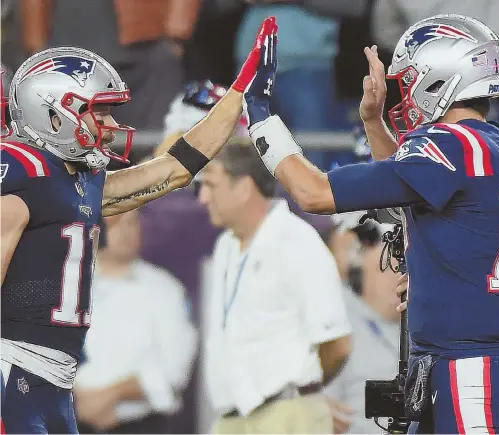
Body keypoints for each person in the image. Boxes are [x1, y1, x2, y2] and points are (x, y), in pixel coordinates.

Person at [243, 13, 499, 433]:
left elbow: (313, 193)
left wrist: (259, 114)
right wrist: (375, 122)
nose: (405, 95)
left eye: (409, 82)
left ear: (441, 79)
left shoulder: (451, 147)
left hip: (471, 367)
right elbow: (414, 184)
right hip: (482, 362)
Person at [0, 16, 278, 433]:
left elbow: (174, 170)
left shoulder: (75, 180)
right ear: (54, 117)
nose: (111, 127)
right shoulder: (21, 175)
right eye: (100, 114)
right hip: (14, 372)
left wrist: (241, 91)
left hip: (52, 380)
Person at [198, 143, 352, 434]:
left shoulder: (297, 242)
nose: (203, 198)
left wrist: (303, 394)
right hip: (231, 417)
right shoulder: (225, 246)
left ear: (244, 187)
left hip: (286, 416)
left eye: (210, 185)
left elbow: (337, 345)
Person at [73, 210, 197, 434]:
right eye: (117, 222)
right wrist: (75, 398)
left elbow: (175, 369)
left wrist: (114, 394)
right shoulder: (69, 288)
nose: (126, 231)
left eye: (132, 223)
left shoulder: (164, 290)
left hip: (139, 426)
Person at [325, 213, 400, 434]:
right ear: (360, 270)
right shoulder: (337, 318)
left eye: (405, 271)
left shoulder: (420, 325)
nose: (399, 279)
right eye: (389, 269)